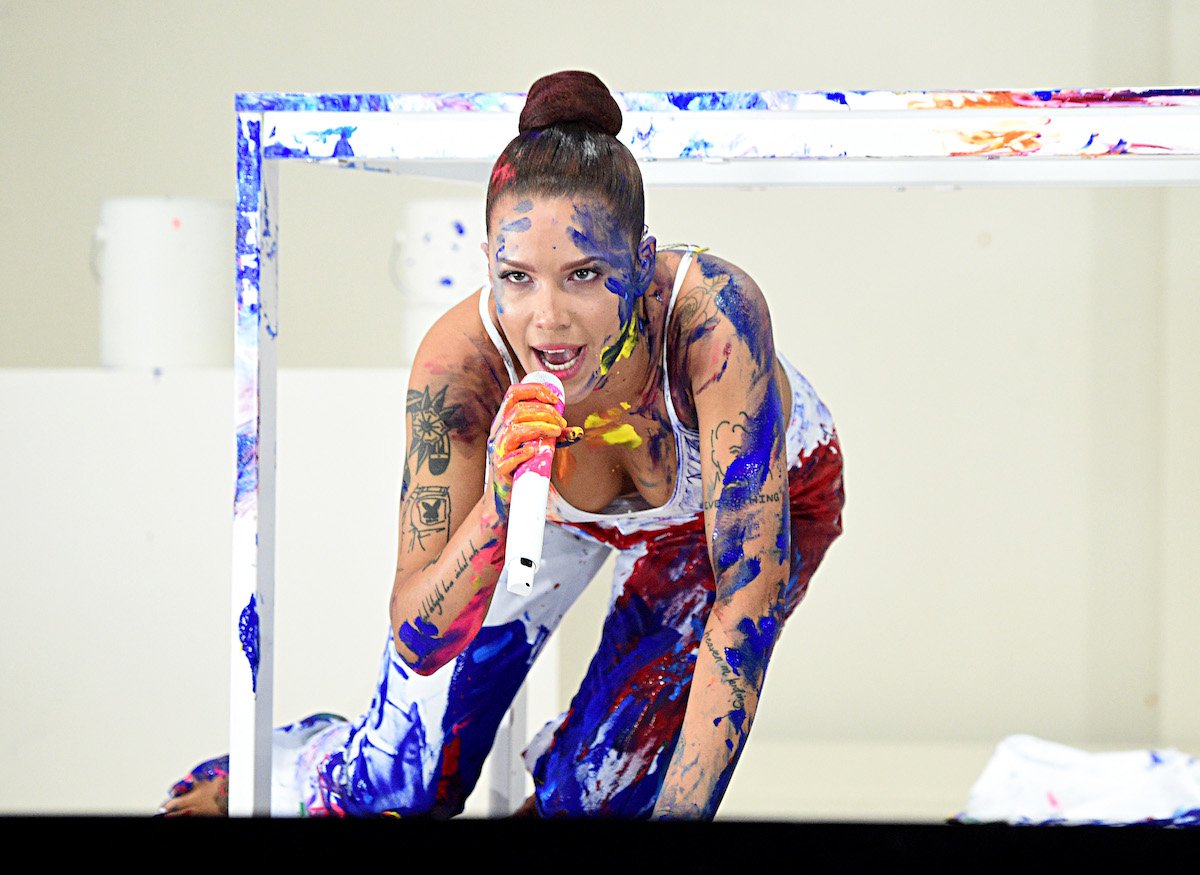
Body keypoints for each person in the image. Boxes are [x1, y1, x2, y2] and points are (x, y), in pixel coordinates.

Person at [160, 69, 845, 820]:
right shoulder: (462, 365)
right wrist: (495, 506)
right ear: (489, 262)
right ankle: (306, 763)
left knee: (598, 798)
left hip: (727, 517)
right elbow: (419, 639)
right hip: (546, 510)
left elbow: (745, 600)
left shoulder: (713, 321)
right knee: (397, 789)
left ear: (641, 263)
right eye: (517, 277)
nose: (547, 319)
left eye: (585, 274)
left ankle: (567, 791)